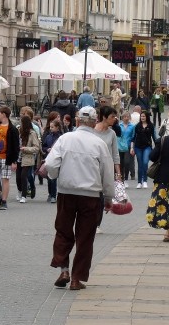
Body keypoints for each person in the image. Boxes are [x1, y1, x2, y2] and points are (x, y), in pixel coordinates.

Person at [47, 106, 115, 290]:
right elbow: (107, 174)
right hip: (90, 195)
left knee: (63, 230)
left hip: (66, 192)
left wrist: (56, 176)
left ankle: (63, 269)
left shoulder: (65, 139)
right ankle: (77, 278)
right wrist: (109, 197)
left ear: (77, 121)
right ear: (94, 122)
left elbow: (51, 164)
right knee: (85, 237)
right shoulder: (99, 144)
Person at [15, 115, 41, 203]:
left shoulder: (32, 133)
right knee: (18, 177)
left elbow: (36, 148)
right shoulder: (19, 131)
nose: (20, 124)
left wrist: (25, 148)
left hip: (27, 157)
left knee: (23, 176)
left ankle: (24, 196)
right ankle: (20, 191)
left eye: (22, 123)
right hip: (18, 157)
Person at [130, 111, 155, 188]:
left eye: (144, 116)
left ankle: (145, 181)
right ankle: (139, 182)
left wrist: (158, 146)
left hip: (147, 147)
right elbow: (133, 138)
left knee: (145, 162)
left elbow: (154, 136)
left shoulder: (151, 126)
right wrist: (131, 148)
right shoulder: (137, 126)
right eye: (141, 116)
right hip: (138, 147)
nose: (142, 118)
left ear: (147, 117)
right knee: (140, 164)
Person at [41, 119, 62, 203]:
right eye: (50, 127)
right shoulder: (48, 136)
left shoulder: (61, 137)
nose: (51, 128)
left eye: (52, 127)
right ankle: (50, 193)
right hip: (48, 158)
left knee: (53, 177)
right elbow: (44, 146)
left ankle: (53, 195)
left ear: (57, 127)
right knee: (49, 177)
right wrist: (47, 149)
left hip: (57, 159)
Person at [118, 111, 135, 186]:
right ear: (122, 117)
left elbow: (133, 137)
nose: (126, 118)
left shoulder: (132, 126)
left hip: (128, 146)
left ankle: (126, 178)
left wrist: (132, 147)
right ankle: (122, 179)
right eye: (125, 117)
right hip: (120, 146)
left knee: (127, 162)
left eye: (128, 116)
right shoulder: (119, 125)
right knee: (120, 163)